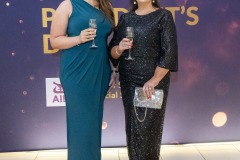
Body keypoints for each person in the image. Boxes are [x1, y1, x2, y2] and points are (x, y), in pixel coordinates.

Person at [109, 0, 178, 159]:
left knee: (147, 128)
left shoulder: (163, 16)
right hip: (128, 80)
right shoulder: (125, 18)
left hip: (152, 83)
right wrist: (119, 48)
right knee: (133, 128)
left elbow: (169, 54)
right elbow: (112, 52)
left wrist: (154, 80)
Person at [50, 0, 114, 159]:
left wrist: (112, 69)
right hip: (76, 71)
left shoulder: (106, 6)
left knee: (93, 124)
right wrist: (78, 39)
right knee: (81, 124)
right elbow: (55, 40)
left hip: (99, 70)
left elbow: (105, 42)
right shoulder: (69, 4)